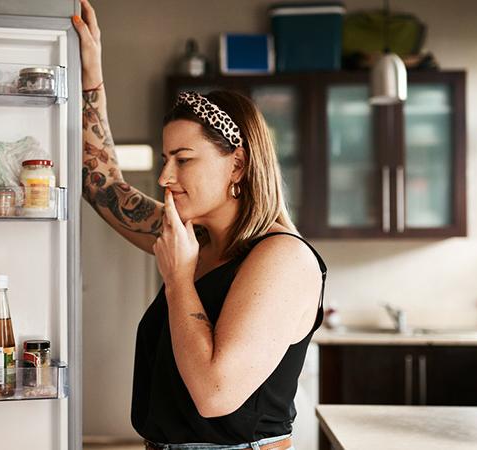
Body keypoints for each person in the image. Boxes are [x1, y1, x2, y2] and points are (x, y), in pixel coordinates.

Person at [73, 1, 327, 449]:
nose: (166, 177)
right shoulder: (196, 239)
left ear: (238, 165)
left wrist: (178, 280)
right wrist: (91, 79)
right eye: (166, 159)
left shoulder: (283, 258)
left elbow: (215, 394)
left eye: (183, 160)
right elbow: (104, 189)